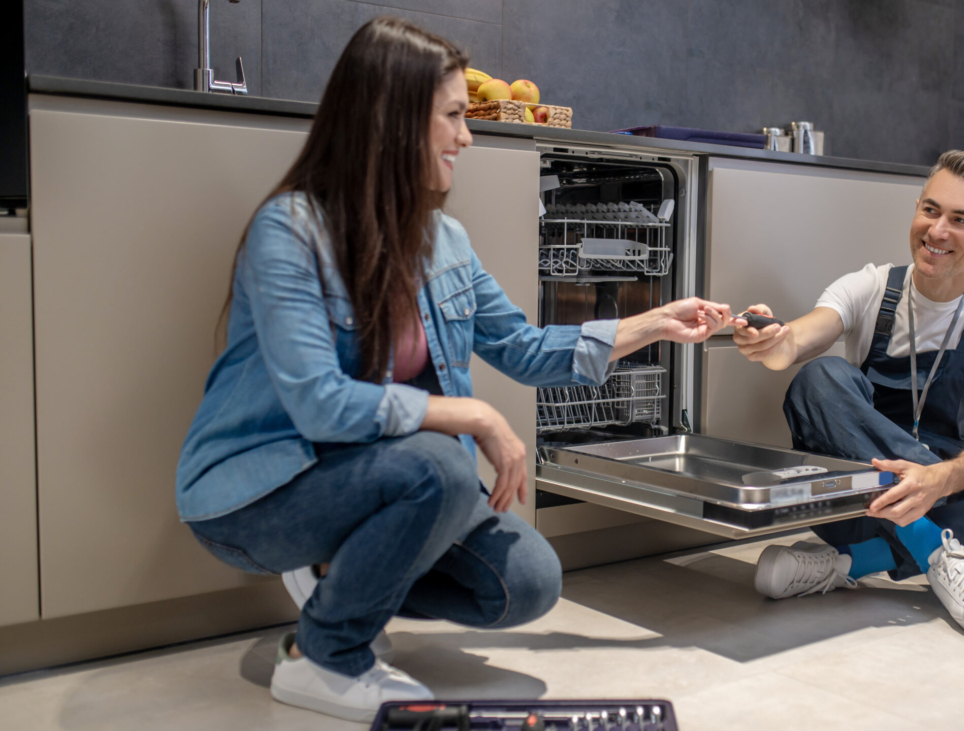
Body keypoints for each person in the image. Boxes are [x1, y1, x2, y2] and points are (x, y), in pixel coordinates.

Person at [175, 18, 733, 722]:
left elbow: (525, 349)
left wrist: (652, 323)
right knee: (441, 461)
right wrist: (470, 415)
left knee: (527, 581)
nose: (467, 137)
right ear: (391, 119)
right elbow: (320, 404)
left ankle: (334, 576)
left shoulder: (444, 242)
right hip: (264, 491)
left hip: (387, 477)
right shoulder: (291, 230)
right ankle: (323, 655)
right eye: (453, 117)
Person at [730, 150, 964, 635]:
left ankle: (848, 564)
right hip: (853, 499)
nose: (937, 231)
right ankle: (937, 550)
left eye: (960, 220)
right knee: (819, 378)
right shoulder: (868, 287)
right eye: (930, 210)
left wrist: (938, 481)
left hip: (940, 490)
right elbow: (796, 343)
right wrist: (772, 340)